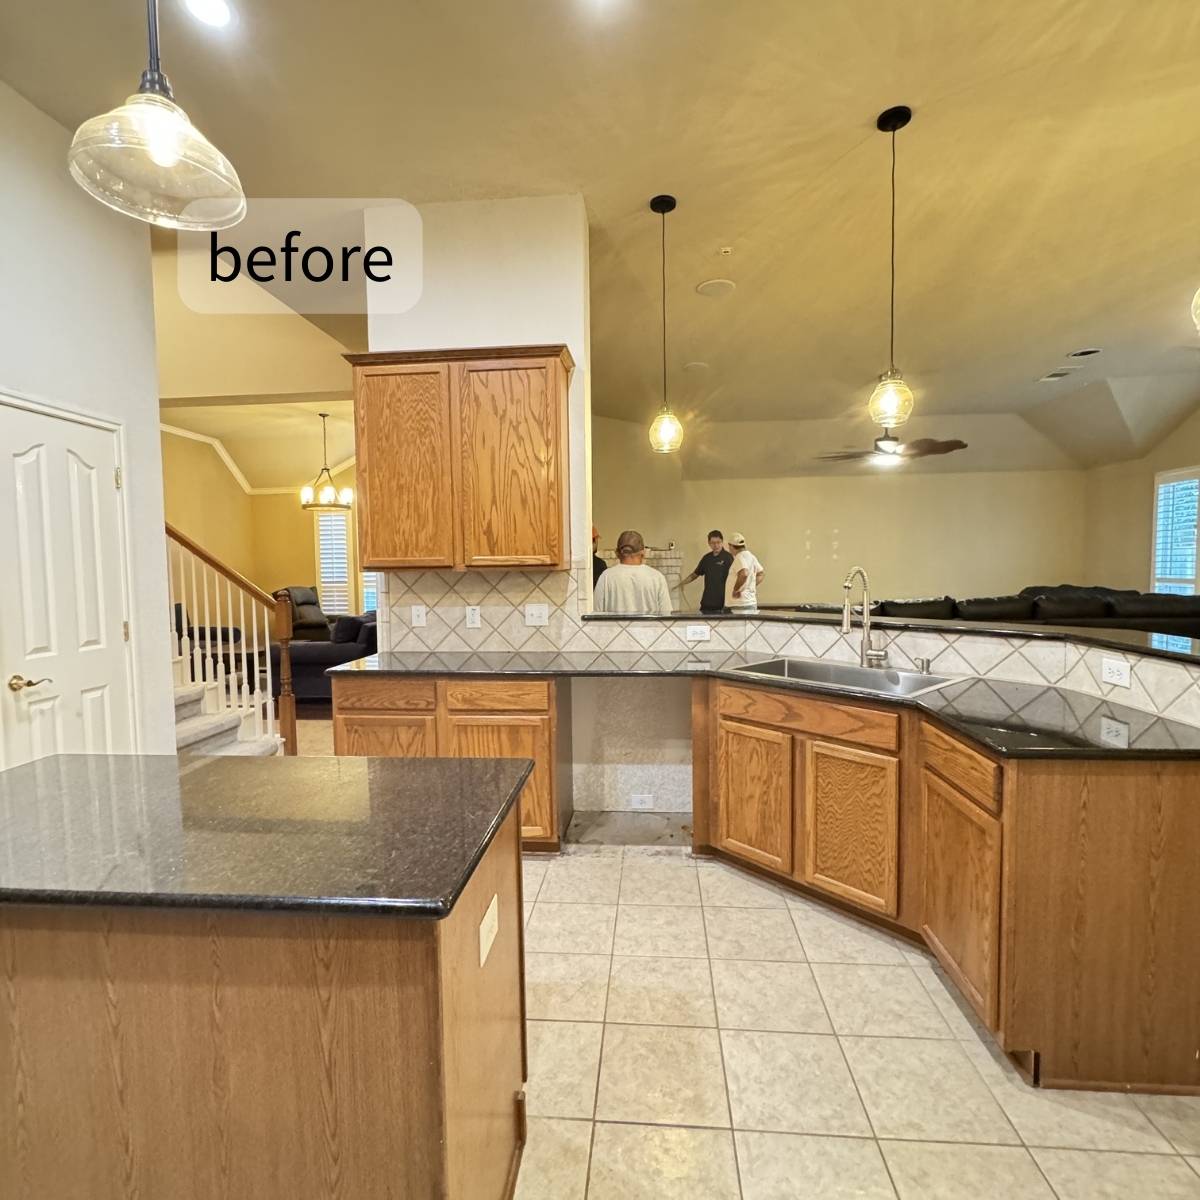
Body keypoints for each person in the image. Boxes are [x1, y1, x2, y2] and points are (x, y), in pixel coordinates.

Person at [592, 529, 673, 615]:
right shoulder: (657, 578)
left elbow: (596, 614)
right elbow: (666, 616)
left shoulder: (606, 577)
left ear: (617, 553)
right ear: (643, 553)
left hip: (616, 629)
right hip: (649, 629)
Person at [682, 530, 734, 614]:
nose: (716, 545)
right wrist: (682, 583)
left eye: (718, 542)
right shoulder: (706, 558)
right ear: (709, 543)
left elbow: (734, 578)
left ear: (722, 542)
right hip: (707, 603)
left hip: (723, 603)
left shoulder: (728, 558)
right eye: (713, 543)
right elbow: (695, 574)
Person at [726, 532, 764, 612]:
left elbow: (744, 573)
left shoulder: (739, 557)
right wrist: (750, 586)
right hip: (750, 602)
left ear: (732, 546)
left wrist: (736, 590)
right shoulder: (751, 556)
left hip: (739, 604)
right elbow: (761, 574)